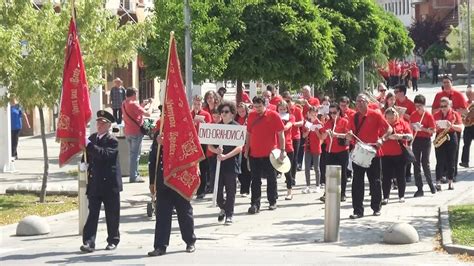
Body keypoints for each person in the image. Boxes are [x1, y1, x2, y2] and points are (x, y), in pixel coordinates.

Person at [147, 126, 196, 256]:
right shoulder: (159, 133)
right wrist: (152, 181)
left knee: (184, 212)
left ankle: (190, 241)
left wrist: (167, 143)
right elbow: (153, 159)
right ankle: (160, 246)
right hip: (163, 180)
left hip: (179, 179)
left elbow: (187, 153)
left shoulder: (184, 130)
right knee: (162, 214)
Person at [80, 110, 122, 253]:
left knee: (112, 214)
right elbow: (87, 154)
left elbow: (104, 154)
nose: (99, 125)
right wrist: (83, 163)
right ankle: (88, 242)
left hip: (109, 184)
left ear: (108, 125)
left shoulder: (112, 140)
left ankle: (113, 240)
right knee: (93, 214)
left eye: (102, 123)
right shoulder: (93, 138)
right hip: (95, 182)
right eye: (98, 122)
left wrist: (89, 145)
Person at [346, 94, 392, 219]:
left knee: (375, 181)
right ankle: (358, 210)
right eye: (357, 102)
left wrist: (382, 139)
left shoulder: (375, 114)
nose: (359, 104)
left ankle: (376, 208)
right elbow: (349, 133)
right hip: (359, 153)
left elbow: (389, 129)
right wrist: (349, 135)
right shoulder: (353, 117)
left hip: (374, 153)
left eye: (361, 101)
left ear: (367, 102)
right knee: (357, 182)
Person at [245, 96, 285, 213]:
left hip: (270, 154)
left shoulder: (274, 115)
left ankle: (272, 201)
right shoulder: (251, 115)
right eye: (255, 106)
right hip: (254, 154)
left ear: (265, 105)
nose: (257, 109)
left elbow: (280, 134)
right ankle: (255, 204)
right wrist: (246, 150)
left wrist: (282, 151)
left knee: (271, 178)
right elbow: (248, 134)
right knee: (255, 179)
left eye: (259, 106)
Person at [208, 102, 242, 224]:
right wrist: (216, 150)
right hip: (217, 163)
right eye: (222, 112)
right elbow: (209, 146)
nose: (223, 114)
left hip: (231, 163)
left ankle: (229, 214)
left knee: (230, 189)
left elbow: (239, 148)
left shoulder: (237, 127)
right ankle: (223, 207)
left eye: (226, 112)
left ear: (232, 113)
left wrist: (226, 156)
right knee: (216, 190)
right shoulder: (217, 127)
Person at [432, 76, 468, 178]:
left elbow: (466, 111)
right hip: (442, 128)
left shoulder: (458, 95)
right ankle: (443, 174)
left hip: (454, 126)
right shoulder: (439, 95)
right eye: (444, 82)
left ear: (452, 83)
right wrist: (443, 109)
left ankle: (452, 174)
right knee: (441, 152)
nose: (446, 84)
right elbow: (433, 111)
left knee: (454, 153)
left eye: (448, 82)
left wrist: (455, 110)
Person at [380, 108, 413, 205]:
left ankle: (401, 195)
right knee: (386, 177)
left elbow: (410, 136)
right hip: (386, 154)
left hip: (399, 154)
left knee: (400, 176)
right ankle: (385, 197)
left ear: (396, 116)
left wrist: (400, 136)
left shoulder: (402, 123)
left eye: (392, 118)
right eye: (388, 118)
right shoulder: (383, 124)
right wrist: (386, 137)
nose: (390, 120)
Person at [319, 103, 350, 202]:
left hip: (342, 151)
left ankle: (343, 193)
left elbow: (348, 136)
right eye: (331, 113)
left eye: (334, 112)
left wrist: (336, 135)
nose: (333, 115)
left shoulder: (344, 121)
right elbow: (323, 137)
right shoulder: (328, 122)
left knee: (343, 173)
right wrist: (326, 133)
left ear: (339, 112)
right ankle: (327, 193)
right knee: (329, 173)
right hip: (330, 150)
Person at [122, 87, 152, 183]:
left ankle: (134, 174)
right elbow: (148, 114)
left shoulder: (124, 103)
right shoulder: (133, 104)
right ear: (134, 94)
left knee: (132, 154)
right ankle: (134, 176)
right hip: (136, 132)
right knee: (135, 155)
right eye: (137, 94)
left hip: (128, 131)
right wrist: (151, 104)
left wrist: (143, 104)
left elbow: (136, 112)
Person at [433, 97, 463, 191]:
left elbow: (461, 128)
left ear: (449, 105)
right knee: (439, 161)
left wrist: (451, 125)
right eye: (441, 106)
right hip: (440, 136)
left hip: (451, 135)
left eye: (445, 106)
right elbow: (432, 127)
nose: (443, 108)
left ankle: (450, 181)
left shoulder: (455, 114)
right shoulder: (436, 114)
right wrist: (436, 127)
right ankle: (438, 182)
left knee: (451, 161)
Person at [410, 95, 436, 197]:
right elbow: (410, 126)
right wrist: (413, 127)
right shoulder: (413, 114)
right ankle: (419, 188)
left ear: (424, 105)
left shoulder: (428, 115)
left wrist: (423, 129)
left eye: (420, 105)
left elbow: (433, 131)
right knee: (416, 164)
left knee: (425, 163)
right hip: (416, 140)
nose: (418, 108)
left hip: (426, 140)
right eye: (416, 106)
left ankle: (430, 185)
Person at [393, 84, 416, 182]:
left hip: (407, 131)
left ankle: (407, 173)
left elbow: (414, 118)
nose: (395, 94)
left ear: (402, 92)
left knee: (406, 151)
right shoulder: (394, 102)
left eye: (396, 92)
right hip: (396, 130)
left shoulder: (410, 103)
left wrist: (403, 114)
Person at [191, 95, 212, 199]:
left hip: (203, 142)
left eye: (198, 104)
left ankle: (202, 190)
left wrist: (203, 123)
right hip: (192, 143)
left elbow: (210, 127)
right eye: (195, 104)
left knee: (203, 167)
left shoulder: (206, 114)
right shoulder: (189, 114)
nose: (196, 106)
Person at [281, 91, 304, 187]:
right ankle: (288, 177)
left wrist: (293, 124)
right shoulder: (281, 111)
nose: (287, 102)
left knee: (293, 158)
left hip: (295, 136)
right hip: (285, 137)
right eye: (285, 100)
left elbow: (302, 122)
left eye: (288, 100)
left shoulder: (297, 109)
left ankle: (292, 177)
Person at [276, 101, 295, 200]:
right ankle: (274, 192)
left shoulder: (290, 117)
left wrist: (279, 123)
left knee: (288, 171)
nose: (282, 111)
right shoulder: (275, 117)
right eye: (280, 109)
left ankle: (289, 191)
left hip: (287, 146)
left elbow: (287, 127)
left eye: (284, 109)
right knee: (274, 171)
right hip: (276, 147)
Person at [302, 106, 323, 194]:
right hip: (307, 147)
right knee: (307, 167)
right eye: (311, 114)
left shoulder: (320, 123)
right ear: (309, 114)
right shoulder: (306, 123)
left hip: (316, 147)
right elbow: (303, 136)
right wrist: (308, 130)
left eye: (315, 114)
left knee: (316, 167)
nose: (313, 115)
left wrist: (317, 131)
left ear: (317, 114)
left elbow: (322, 137)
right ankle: (308, 186)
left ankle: (318, 185)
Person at [235, 103, 251, 196]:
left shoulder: (249, 119)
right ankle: (243, 185)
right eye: (239, 111)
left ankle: (245, 189)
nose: (241, 113)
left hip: (247, 147)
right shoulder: (236, 119)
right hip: (238, 147)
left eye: (243, 111)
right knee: (239, 169)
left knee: (246, 169)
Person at [460, 87, 474, 168]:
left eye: (471, 94)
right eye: (467, 95)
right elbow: (462, 114)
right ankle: (465, 162)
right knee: (466, 144)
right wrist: (465, 120)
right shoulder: (465, 103)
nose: (469, 96)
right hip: (468, 127)